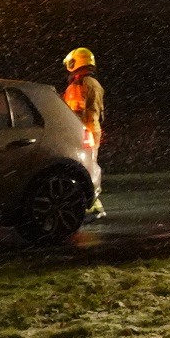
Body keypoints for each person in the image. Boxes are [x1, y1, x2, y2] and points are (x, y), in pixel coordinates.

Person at [62, 47, 107, 217]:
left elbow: (74, 112)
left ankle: (92, 205)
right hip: (93, 129)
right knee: (90, 167)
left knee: (82, 170)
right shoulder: (95, 83)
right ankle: (94, 205)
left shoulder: (78, 85)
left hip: (82, 132)